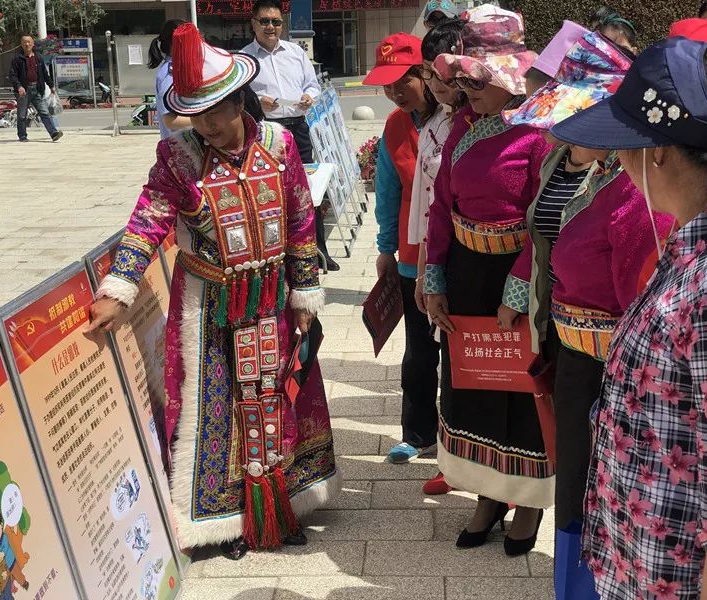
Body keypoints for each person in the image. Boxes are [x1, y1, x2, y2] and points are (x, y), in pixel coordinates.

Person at [87, 23, 339, 561]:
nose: (209, 126)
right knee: (216, 407)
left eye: (218, 112)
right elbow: (147, 220)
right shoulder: (177, 157)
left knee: (273, 396)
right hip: (208, 304)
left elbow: (299, 218)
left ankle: (283, 503)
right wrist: (120, 285)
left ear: (238, 99)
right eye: (197, 116)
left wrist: (305, 297)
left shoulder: (279, 144)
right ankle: (224, 519)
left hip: (271, 301)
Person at [551, 36, 707, 599]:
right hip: (637, 567)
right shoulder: (689, 244)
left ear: (656, 150)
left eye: (621, 145)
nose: (616, 162)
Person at [502, 31, 673, 599]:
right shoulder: (564, 168)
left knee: (611, 492)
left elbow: (645, 299)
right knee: (575, 488)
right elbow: (542, 243)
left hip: (619, 373)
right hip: (572, 355)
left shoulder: (637, 198)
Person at [425, 5, 553, 557]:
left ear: (508, 80)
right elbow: (439, 207)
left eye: (478, 79)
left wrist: (519, 289)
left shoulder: (538, 133)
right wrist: (433, 278)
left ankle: (526, 502)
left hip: (515, 277)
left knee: (520, 387)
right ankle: (487, 493)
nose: (466, 88)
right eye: (464, 78)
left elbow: (542, 219)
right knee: (471, 382)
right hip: (465, 274)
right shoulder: (461, 128)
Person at [362, 33, 441, 466]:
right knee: (418, 351)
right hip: (413, 253)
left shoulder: (453, 115)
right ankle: (418, 433)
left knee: (464, 350)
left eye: (402, 82)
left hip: (456, 247)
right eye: (387, 85)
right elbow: (388, 191)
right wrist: (385, 248)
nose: (395, 92)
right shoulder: (395, 125)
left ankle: (463, 434)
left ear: (424, 73)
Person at [408, 18, 468, 494]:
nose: (432, 82)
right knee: (452, 362)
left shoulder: (493, 122)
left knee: (484, 365)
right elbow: (429, 202)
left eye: (438, 71)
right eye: (428, 72)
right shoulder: (437, 122)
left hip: (485, 263)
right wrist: (426, 267)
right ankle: (455, 461)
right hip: (443, 256)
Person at [242, 0, 340, 271]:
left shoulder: (295, 52)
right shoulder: (246, 58)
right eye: (264, 21)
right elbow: (241, 96)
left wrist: (310, 95)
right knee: (272, 189)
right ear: (253, 23)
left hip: (298, 126)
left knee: (308, 189)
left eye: (275, 21)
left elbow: (312, 83)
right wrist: (259, 101)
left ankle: (319, 250)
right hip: (267, 130)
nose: (271, 27)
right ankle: (279, 253)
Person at [8, 34, 63, 143]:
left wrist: (51, 85)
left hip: (37, 89)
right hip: (24, 91)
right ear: (21, 44)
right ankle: (22, 136)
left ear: (33, 44)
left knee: (44, 112)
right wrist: (19, 86)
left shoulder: (38, 57)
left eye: (29, 42)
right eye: (24, 42)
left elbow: (44, 73)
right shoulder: (17, 59)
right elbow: (12, 75)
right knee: (22, 115)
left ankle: (53, 133)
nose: (27, 44)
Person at [148, 19, 192, 139]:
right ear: (176, 43)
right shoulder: (171, 74)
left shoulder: (179, 69)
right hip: (180, 147)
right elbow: (171, 120)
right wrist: (204, 119)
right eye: (189, 40)